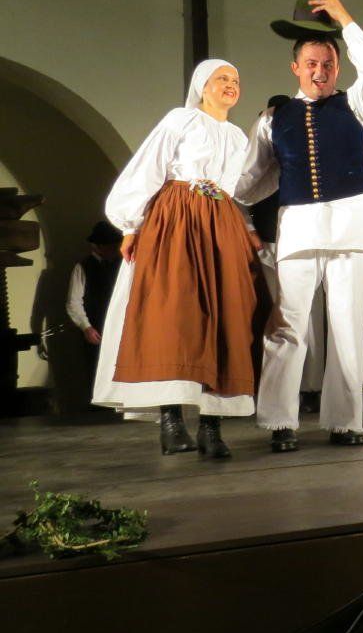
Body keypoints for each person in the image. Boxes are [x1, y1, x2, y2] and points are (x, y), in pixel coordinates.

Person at [237, 0, 363, 452]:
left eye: (328, 64)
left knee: (347, 329)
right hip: (299, 231)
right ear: (295, 68)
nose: (320, 72)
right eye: (311, 64)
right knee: (288, 327)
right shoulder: (273, 118)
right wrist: (228, 211)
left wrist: (344, 18)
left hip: (351, 230)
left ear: (337, 68)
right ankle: (280, 421)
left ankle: (346, 421)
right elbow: (249, 181)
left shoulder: (356, 104)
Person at [92, 60, 259, 458]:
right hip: (178, 219)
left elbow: (245, 186)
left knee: (222, 317)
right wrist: (130, 224)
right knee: (174, 316)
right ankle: (171, 421)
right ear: (202, 86)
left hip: (220, 222)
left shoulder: (237, 136)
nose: (231, 85)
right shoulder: (181, 119)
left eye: (235, 80)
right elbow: (148, 167)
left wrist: (247, 228)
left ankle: (211, 426)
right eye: (222, 79)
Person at [249, 191, 325, 411]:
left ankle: (310, 387)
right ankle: (274, 389)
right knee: (275, 315)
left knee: (310, 314)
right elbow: (242, 190)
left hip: (306, 236)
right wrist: (249, 228)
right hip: (267, 236)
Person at [65, 220, 122, 388]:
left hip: (121, 330)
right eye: (110, 246)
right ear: (98, 246)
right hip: (97, 331)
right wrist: (86, 327)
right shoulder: (83, 267)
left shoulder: (123, 265)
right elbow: (73, 302)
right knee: (98, 377)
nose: (115, 250)